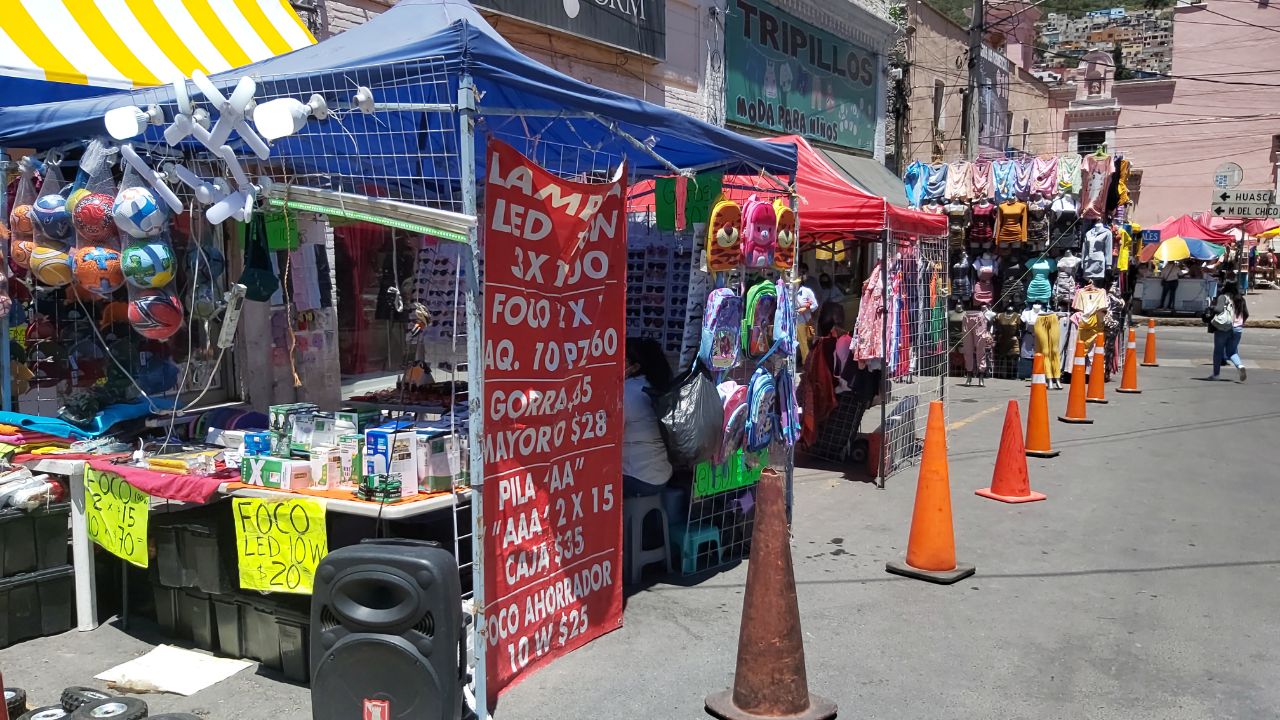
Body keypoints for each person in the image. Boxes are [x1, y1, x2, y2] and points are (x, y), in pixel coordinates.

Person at [622, 338, 673, 496]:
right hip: (663, 475)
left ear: (635, 366)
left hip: (636, 477)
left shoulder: (626, 392)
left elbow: (611, 437)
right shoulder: (658, 387)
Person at [1208, 282, 1248, 382]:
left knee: (1218, 351)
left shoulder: (1223, 297)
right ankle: (1240, 366)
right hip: (1238, 329)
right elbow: (1246, 314)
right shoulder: (1241, 299)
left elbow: (1218, 309)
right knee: (1232, 351)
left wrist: (1211, 308)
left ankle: (1216, 375)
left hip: (1223, 327)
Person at [793, 276, 818, 364]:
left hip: (803, 321)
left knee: (804, 344)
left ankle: (807, 364)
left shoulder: (806, 291)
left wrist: (805, 309)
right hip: (791, 321)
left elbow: (815, 305)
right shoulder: (789, 291)